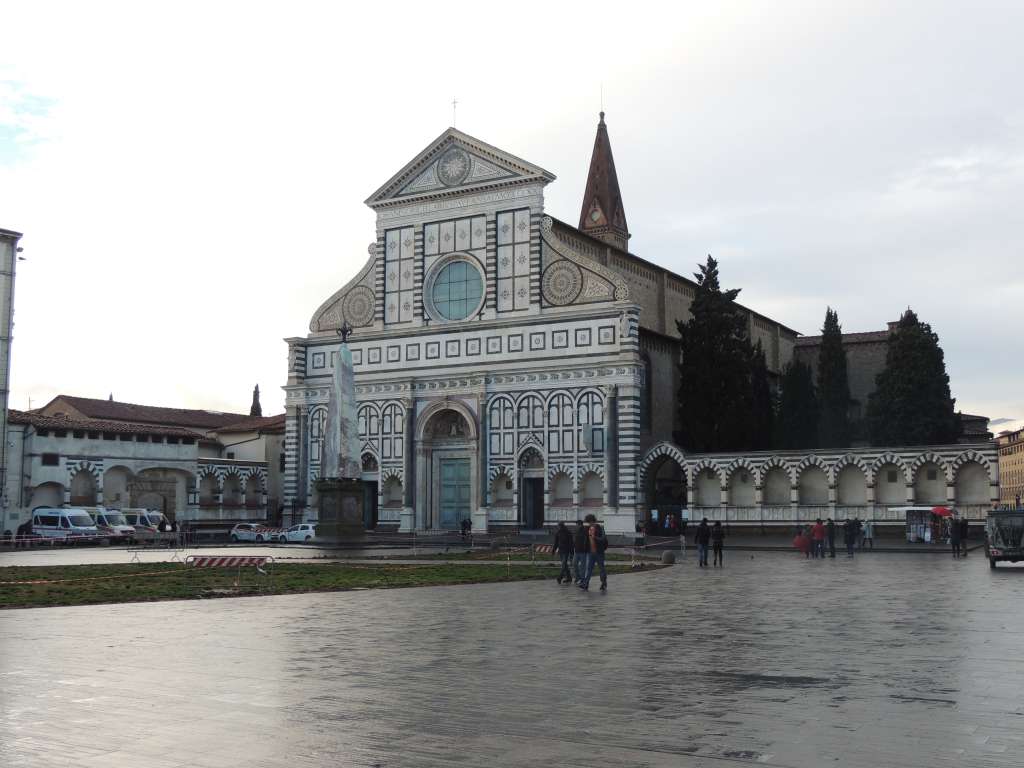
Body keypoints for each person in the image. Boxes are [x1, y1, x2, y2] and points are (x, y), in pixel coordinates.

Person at [579, 513, 608, 591]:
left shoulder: (600, 528)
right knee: (589, 569)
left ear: (593, 521)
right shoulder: (588, 528)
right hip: (591, 552)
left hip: (599, 552)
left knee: (601, 568)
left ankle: (604, 583)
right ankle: (586, 584)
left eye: (590, 522)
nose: (589, 524)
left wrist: (594, 537)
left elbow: (603, 539)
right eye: (588, 522)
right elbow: (587, 540)